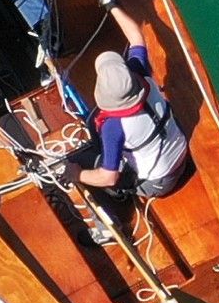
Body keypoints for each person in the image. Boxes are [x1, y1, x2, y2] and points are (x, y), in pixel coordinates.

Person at [75, 14, 193, 200]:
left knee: (86, 164)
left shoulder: (113, 126)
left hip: (159, 182)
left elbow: (108, 177)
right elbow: (136, 37)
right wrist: (112, 6)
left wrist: (75, 174)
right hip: (183, 155)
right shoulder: (140, 73)